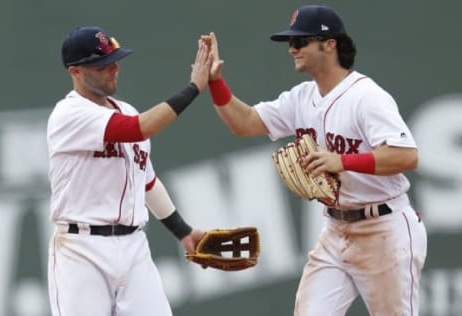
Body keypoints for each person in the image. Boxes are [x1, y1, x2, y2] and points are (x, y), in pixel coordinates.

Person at [201, 5, 427, 316]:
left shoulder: (366, 97)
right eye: (290, 43)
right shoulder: (301, 98)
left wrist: (342, 162)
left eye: (301, 41)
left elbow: (406, 155)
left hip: (384, 229)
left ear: (330, 44)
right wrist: (215, 82)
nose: (292, 49)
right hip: (335, 230)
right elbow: (245, 122)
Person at [46, 26, 211, 316]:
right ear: (75, 71)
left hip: (134, 246)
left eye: (114, 59)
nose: (113, 68)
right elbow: (138, 129)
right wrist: (194, 87)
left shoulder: (127, 109)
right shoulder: (68, 114)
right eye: (101, 64)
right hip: (81, 250)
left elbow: (146, 182)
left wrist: (183, 232)